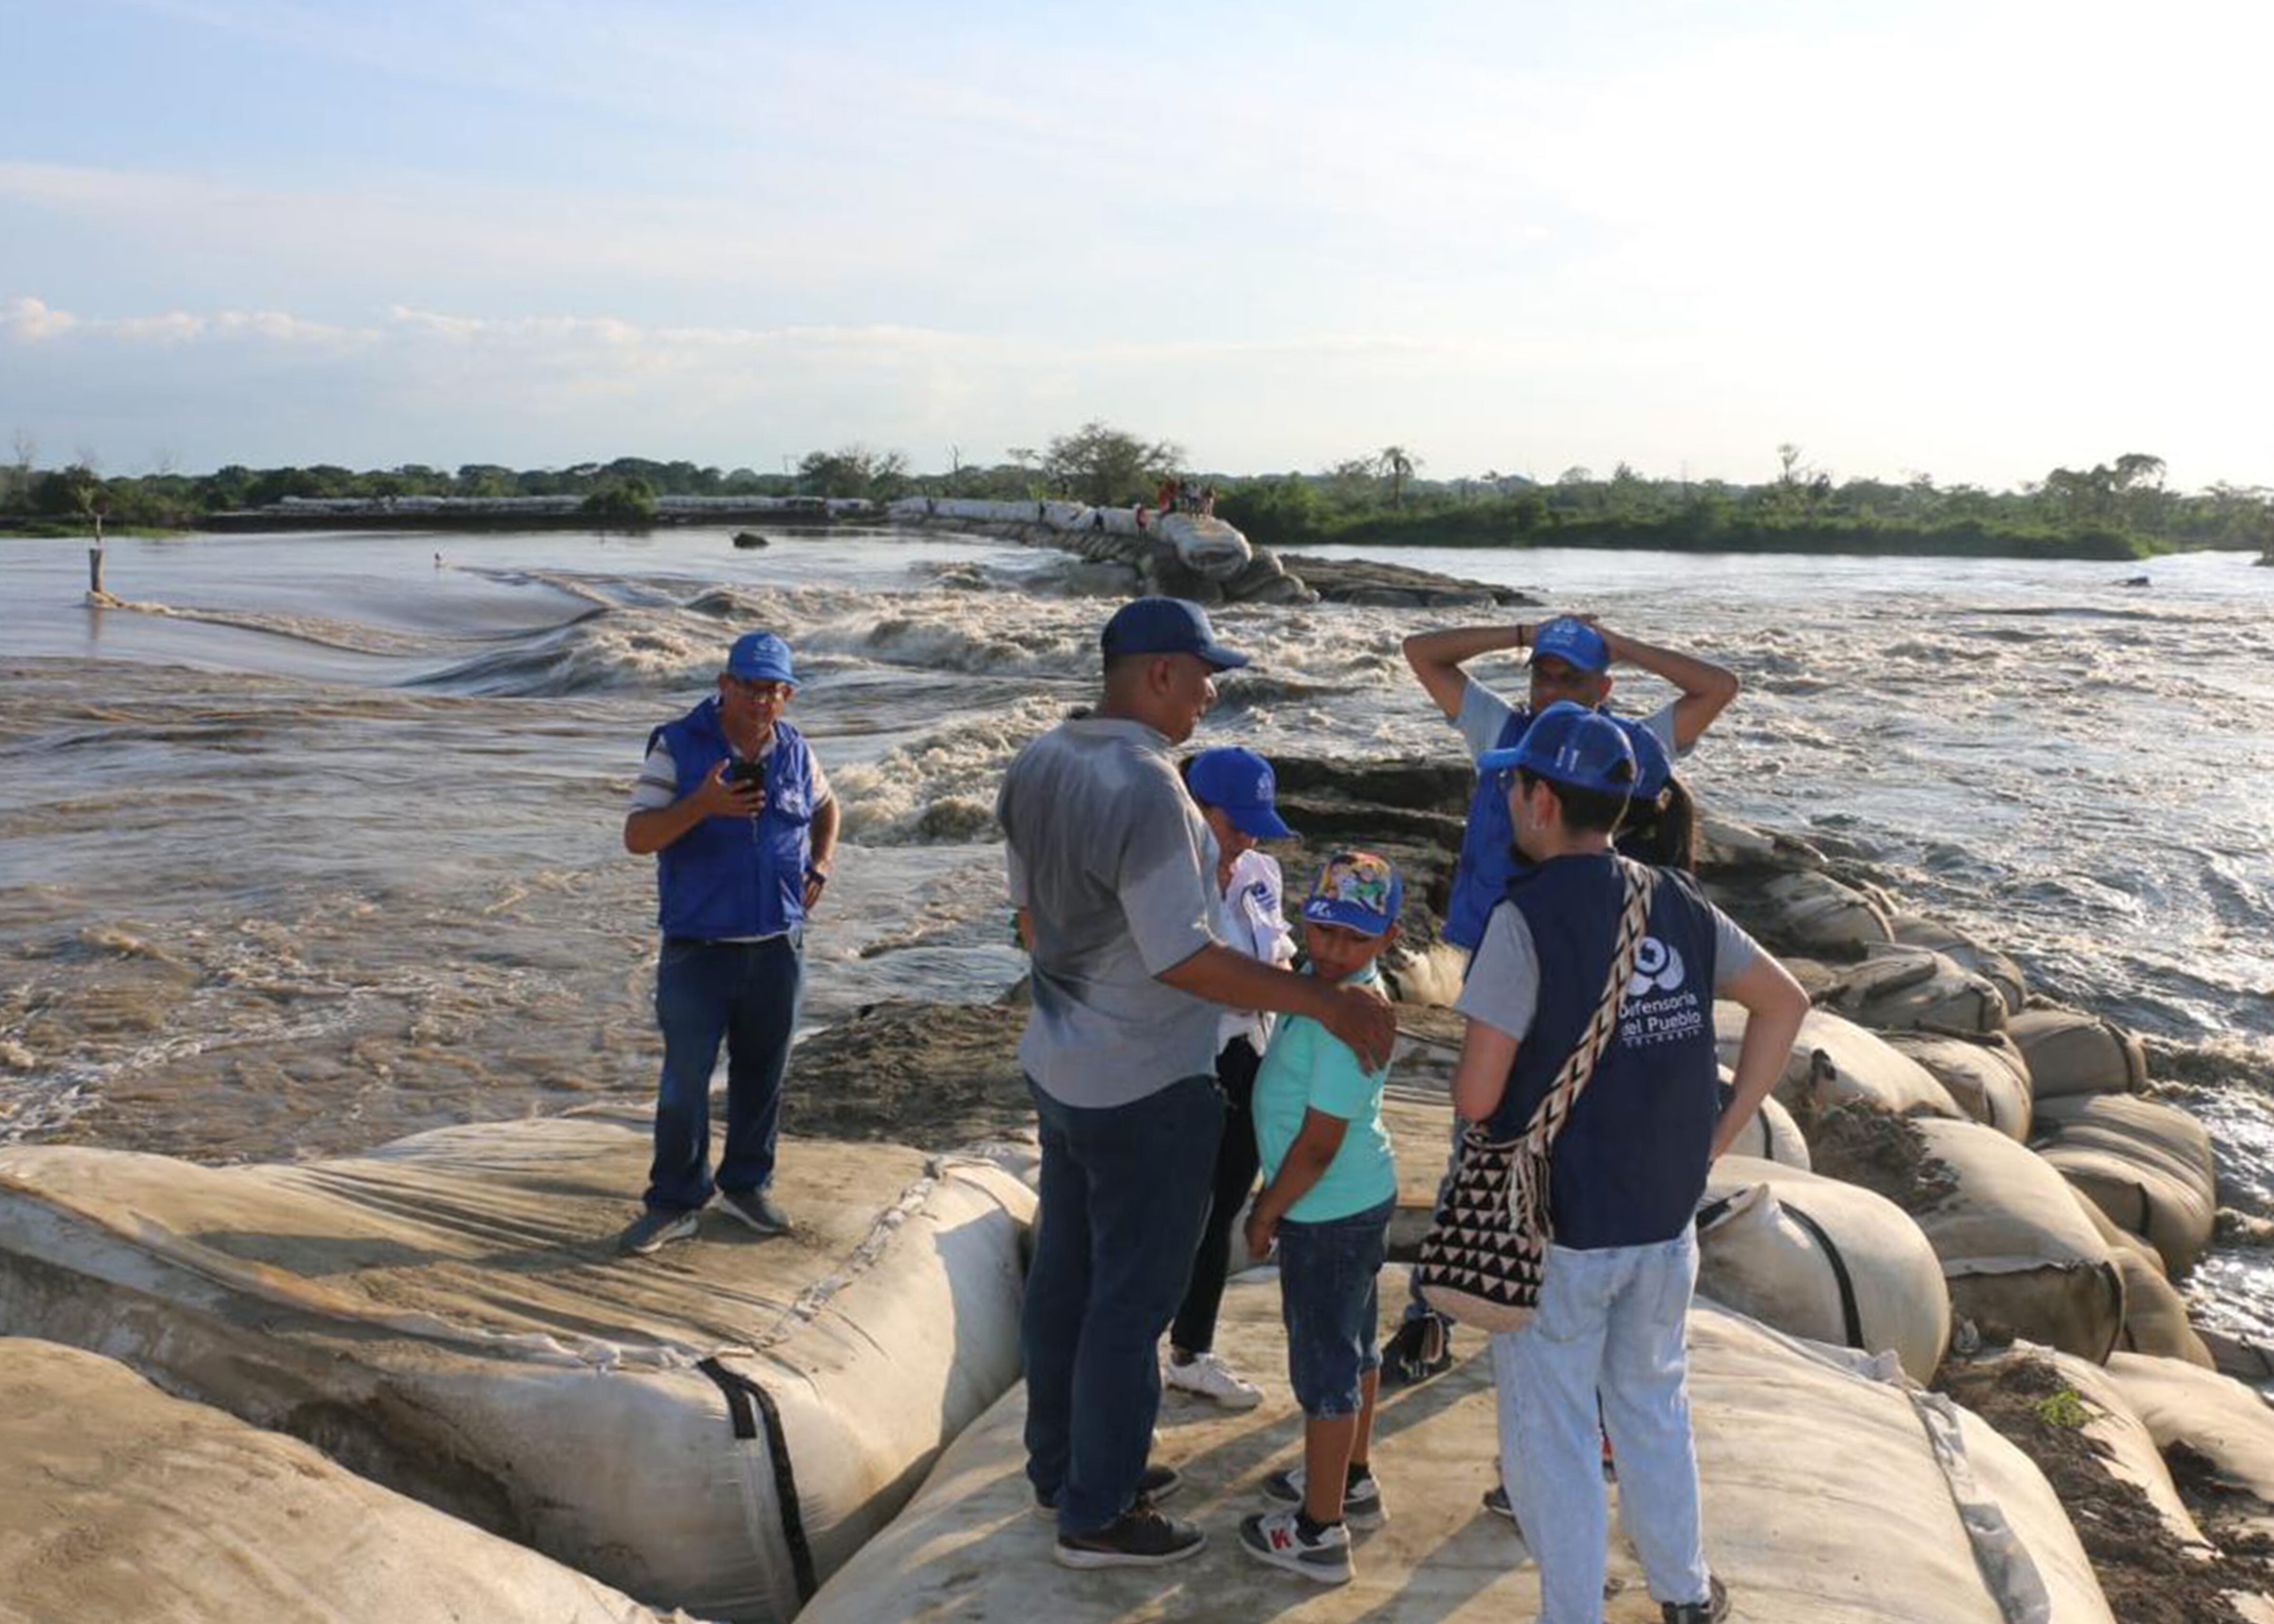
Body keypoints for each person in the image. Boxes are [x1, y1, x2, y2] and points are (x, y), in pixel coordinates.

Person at [998, 596, 1397, 1572]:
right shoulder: (1149, 790)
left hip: (1058, 1068)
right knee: (1131, 1304)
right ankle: (1097, 1512)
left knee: (1064, 1282)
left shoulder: (1037, 760)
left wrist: (1086, 1006)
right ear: (1158, 673)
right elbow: (1182, 958)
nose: (1211, 691)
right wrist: (1320, 1000)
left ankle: (1062, 1466)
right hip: (1144, 1087)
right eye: (1203, 672)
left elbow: (1029, 928)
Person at [1449, 702, 1807, 1624]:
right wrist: (1721, 1133)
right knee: (1652, 1405)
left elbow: (1479, 1098)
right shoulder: (1674, 900)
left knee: (1553, 1431)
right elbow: (1785, 1002)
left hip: (1560, 1226)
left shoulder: (1521, 919)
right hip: (1663, 1213)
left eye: (1514, 786)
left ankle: (1572, 1613)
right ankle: (1684, 1595)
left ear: (1533, 800)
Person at [1385, 612, 1738, 1387]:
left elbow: (1719, 687)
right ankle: (1439, 1303)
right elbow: (1420, 654)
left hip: (1587, 960)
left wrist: (1623, 642)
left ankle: (1544, 1297)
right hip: (1502, 959)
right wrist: (1520, 631)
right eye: (1543, 672)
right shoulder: (1504, 733)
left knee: (1546, 1123)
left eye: (1569, 677)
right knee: (1479, 1136)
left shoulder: (1628, 749)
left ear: (1603, 687)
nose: (1549, 687)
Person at [617, 631, 839, 1256]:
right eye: (750, 687)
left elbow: (828, 806)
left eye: (774, 690)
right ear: (724, 684)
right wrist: (703, 803)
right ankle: (674, 1201)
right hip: (699, 947)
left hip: (777, 944)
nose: (762, 701)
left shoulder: (796, 749)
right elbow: (637, 835)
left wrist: (819, 864)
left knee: (763, 1073)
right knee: (685, 1079)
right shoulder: (677, 745)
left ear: (788, 694)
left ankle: (746, 1184)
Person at [1237, 851, 1404, 1586]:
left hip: (1325, 1211)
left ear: (1387, 939)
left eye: (1354, 939)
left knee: (1326, 1370)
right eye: (1324, 929)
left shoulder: (1346, 1020)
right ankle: (1353, 1478)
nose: (1334, 950)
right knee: (1358, 1348)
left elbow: (1317, 1144)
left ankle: (1317, 1531)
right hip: (1357, 1201)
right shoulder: (1332, 994)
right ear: (1305, 918)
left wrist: (1267, 1209)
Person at [1163, 746, 1298, 1411]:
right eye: (1233, 823)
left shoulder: (1259, 871)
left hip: (1249, 1056)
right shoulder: (1162, 877)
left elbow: (1279, 950)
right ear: (1195, 808)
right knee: (1168, 1211)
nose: (1244, 838)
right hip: (1181, 1061)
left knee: (1220, 1209)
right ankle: (1136, 1350)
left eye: (1254, 825)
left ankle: (1192, 1349)